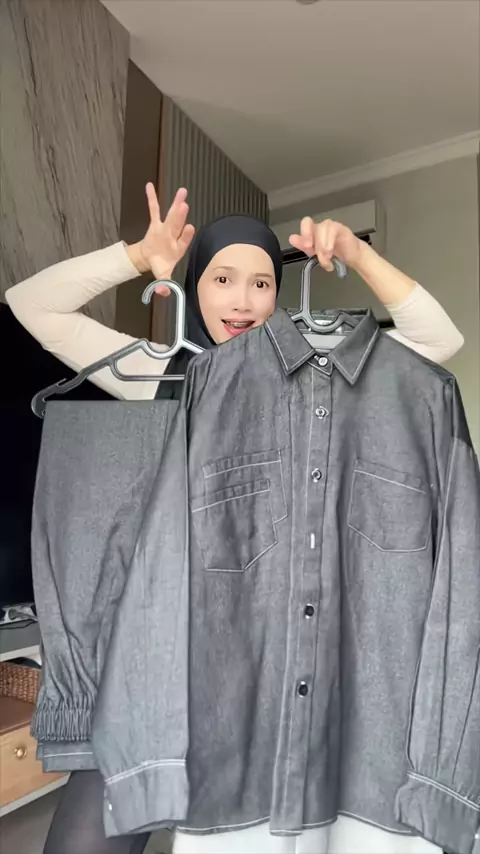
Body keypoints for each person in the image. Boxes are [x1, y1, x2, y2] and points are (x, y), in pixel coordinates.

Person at [5, 185, 462, 854]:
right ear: (194, 287)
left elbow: (438, 342)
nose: (243, 300)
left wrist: (358, 256)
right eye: (222, 279)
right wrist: (137, 256)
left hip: (248, 661)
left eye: (261, 283)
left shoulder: (307, 384)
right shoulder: (159, 372)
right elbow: (31, 304)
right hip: (149, 657)